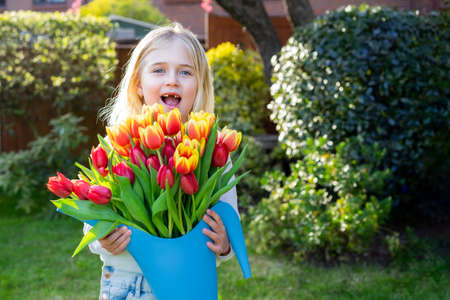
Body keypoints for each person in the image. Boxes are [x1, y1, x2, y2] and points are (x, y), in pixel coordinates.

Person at [84, 23, 239, 300]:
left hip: (191, 283)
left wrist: (225, 245)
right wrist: (103, 241)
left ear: (199, 86)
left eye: (185, 72)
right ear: (139, 86)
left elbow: (230, 223)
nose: (172, 80)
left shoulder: (211, 152)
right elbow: (91, 225)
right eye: (159, 70)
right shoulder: (118, 146)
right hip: (125, 284)